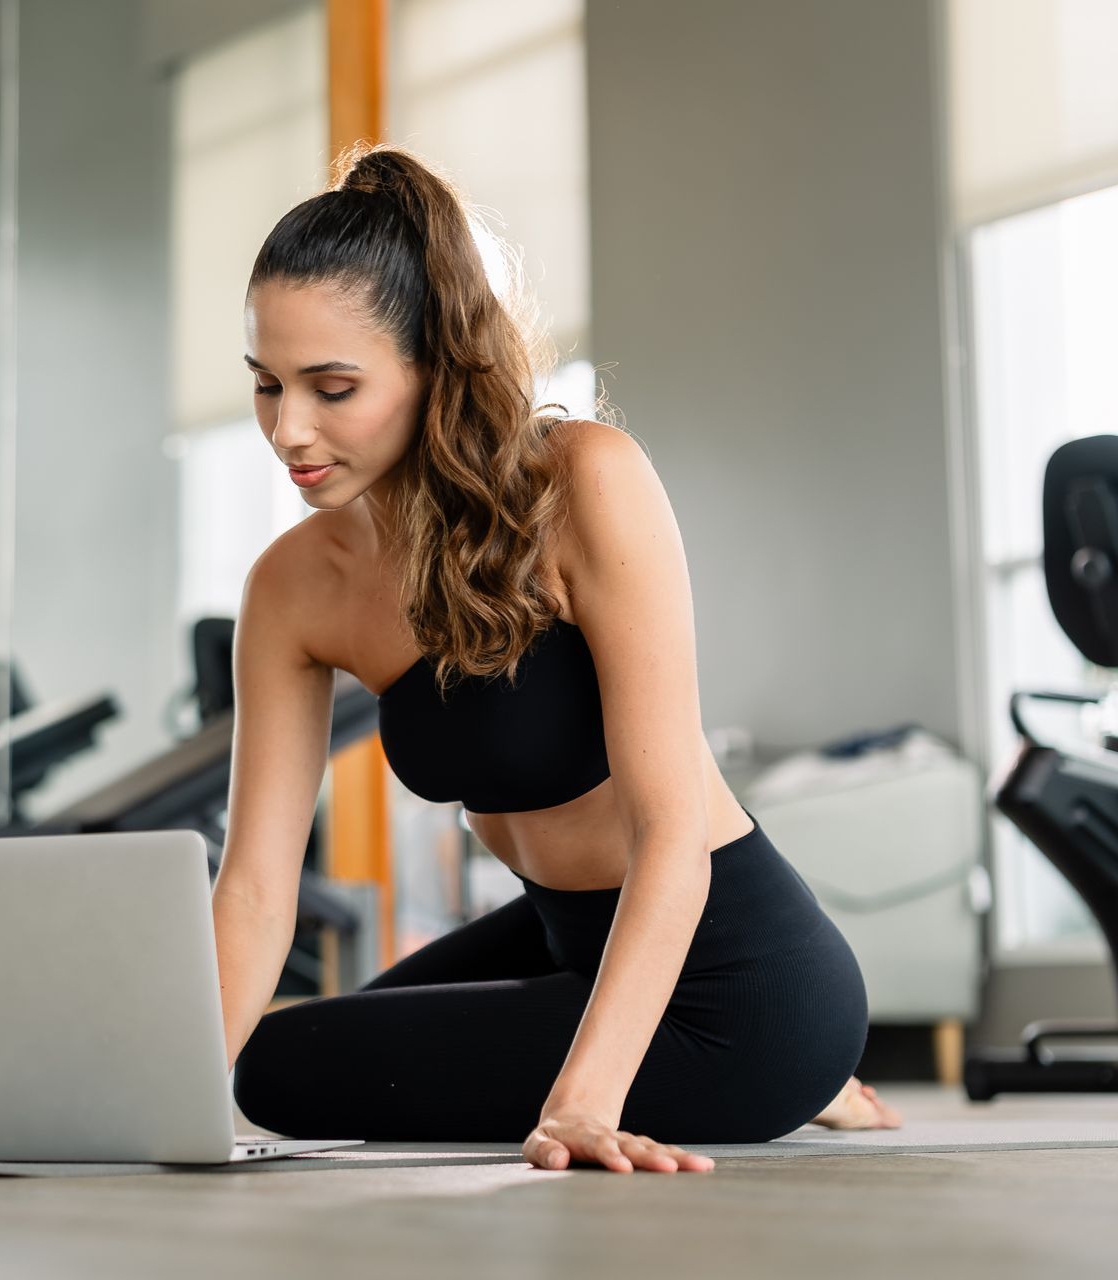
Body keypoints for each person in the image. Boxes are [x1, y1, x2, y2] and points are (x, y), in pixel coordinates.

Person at [213, 144, 902, 1175]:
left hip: (738, 984)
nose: (289, 428)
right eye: (268, 384)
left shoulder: (583, 483)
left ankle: (803, 1072)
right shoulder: (291, 586)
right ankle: (674, 1054)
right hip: (559, 936)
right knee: (266, 1064)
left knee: (297, 1068)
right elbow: (259, 889)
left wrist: (581, 1101)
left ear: (437, 362)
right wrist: (151, 1109)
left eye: (333, 386)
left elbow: (670, 824)